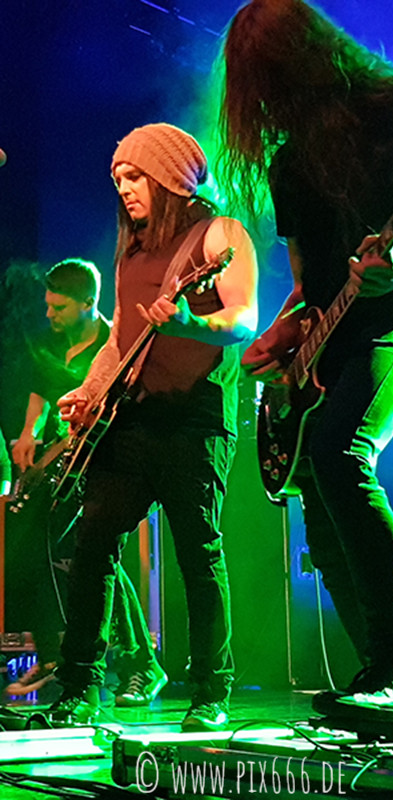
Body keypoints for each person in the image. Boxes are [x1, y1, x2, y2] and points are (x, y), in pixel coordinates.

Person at [217, 0, 393, 716]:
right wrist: (282, 333)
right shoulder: (289, 162)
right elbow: (309, 287)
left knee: (339, 453)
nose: (261, 103)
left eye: (265, 81)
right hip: (333, 339)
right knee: (319, 498)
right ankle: (382, 683)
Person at [50, 122, 258, 731]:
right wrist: (88, 392)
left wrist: (190, 325)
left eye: (135, 176)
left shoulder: (220, 234)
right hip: (134, 417)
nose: (124, 189)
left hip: (197, 417)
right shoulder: (132, 250)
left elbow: (244, 319)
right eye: (118, 179)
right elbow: (121, 337)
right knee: (93, 542)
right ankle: (79, 687)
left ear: (170, 178)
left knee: (198, 551)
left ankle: (210, 692)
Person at [8, 259, 167, 706]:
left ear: (88, 303)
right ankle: (59, 655)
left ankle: (139, 662)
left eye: (58, 307)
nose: (49, 315)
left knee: (94, 556)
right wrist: (29, 433)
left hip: (103, 465)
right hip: (62, 466)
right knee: (45, 554)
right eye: (48, 305)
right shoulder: (51, 342)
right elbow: (40, 390)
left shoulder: (111, 342)